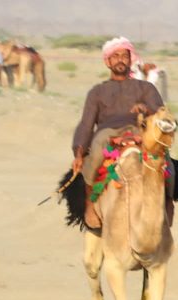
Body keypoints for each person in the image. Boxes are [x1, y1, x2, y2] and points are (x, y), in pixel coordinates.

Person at [71, 36, 166, 229]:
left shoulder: (145, 88)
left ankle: (168, 202)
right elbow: (86, 124)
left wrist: (146, 109)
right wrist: (79, 152)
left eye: (124, 55)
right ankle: (90, 204)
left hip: (138, 129)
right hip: (108, 133)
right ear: (108, 62)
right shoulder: (97, 92)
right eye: (115, 56)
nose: (120, 60)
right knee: (96, 153)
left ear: (131, 59)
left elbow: (160, 112)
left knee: (163, 160)